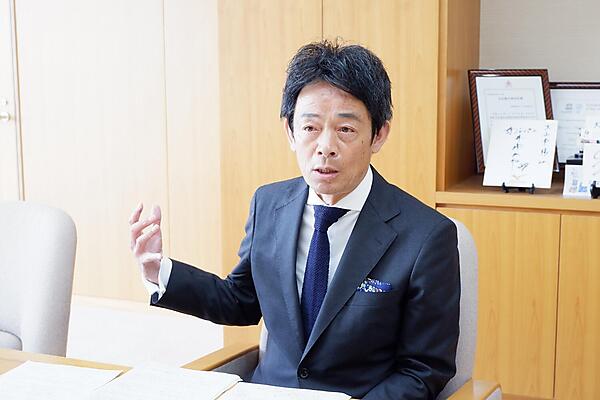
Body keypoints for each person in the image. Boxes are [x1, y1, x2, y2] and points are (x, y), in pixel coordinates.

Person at [129, 40, 460, 399]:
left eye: (346, 130)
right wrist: (159, 272)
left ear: (378, 135)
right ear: (290, 131)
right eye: (310, 128)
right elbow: (241, 300)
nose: (325, 146)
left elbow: (423, 370)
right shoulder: (269, 204)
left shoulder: (426, 236)